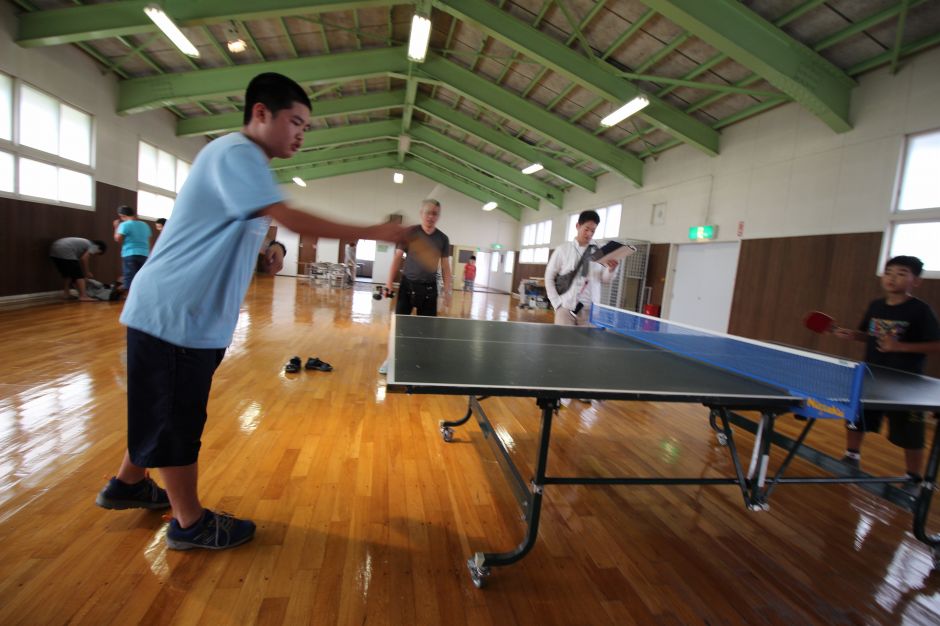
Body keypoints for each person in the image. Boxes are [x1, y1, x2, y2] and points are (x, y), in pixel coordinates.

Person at [94, 72, 406, 551]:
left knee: (165, 408)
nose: (301, 134)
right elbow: (289, 216)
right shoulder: (236, 152)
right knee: (176, 419)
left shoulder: (246, 167)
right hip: (174, 314)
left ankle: (129, 483)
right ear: (261, 113)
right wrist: (375, 232)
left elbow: (248, 229)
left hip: (192, 319)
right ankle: (189, 524)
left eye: (306, 127)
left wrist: (270, 251)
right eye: (295, 122)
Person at [832, 255, 940, 483]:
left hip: (905, 383)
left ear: (916, 281)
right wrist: (854, 335)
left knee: (910, 431)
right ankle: (852, 455)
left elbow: (937, 345)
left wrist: (900, 346)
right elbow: (870, 336)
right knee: (857, 417)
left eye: (901, 273)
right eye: (888, 272)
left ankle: (913, 476)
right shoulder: (876, 306)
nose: (892, 278)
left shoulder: (920, 310)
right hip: (871, 375)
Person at [378, 199, 452, 375]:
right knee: (399, 327)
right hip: (407, 287)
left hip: (429, 290)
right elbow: (397, 258)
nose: (431, 216)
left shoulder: (442, 239)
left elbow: (445, 266)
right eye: (428, 212)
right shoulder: (410, 233)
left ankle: (422, 360)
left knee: (426, 329)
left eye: (435, 213)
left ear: (438, 216)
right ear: (421, 213)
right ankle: (390, 358)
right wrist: (389, 283)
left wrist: (447, 291)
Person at [544, 210, 619, 326]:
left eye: (593, 231)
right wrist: (556, 303)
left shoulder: (601, 251)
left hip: (590, 311)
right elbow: (549, 277)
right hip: (565, 308)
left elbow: (605, 279)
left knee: (587, 339)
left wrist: (611, 269)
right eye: (586, 229)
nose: (589, 234)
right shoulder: (563, 249)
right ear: (578, 226)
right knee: (561, 339)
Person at [48, 237, 107, 301]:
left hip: (54, 249)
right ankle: (83, 296)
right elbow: (84, 258)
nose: (95, 254)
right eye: (97, 253)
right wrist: (87, 272)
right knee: (79, 276)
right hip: (66, 249)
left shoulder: (84, 243)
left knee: (68, 274)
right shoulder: (94, 246)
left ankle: (66, 294)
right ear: (99, 249)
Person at [113, 205, 152, 293]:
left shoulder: (124, 224)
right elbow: (149, 241)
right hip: (144, 254)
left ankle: (129, 297)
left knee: (130, 278)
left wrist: (116, 227)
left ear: (122, 215)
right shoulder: (145, 225)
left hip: (130, 253)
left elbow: (118, 239)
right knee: (141, 277)